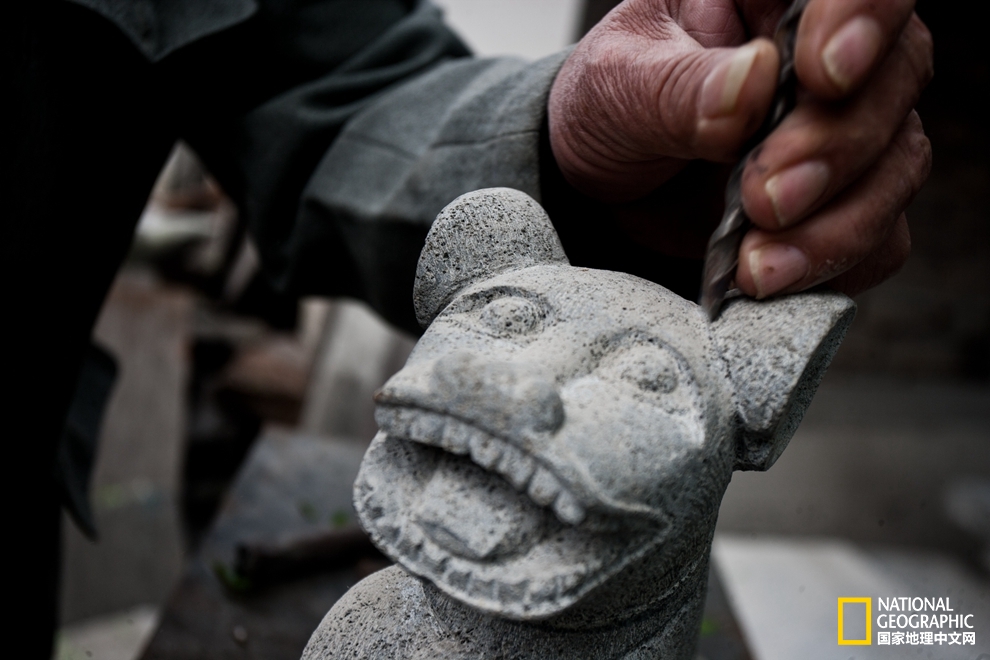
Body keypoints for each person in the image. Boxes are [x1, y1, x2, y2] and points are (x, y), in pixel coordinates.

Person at [6, 0, 931, 656]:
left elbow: (330, 77)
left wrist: (567, 165)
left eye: (650, 377)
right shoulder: (383, 632)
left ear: (763, 400)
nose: (523, 388)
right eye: (512, 318)